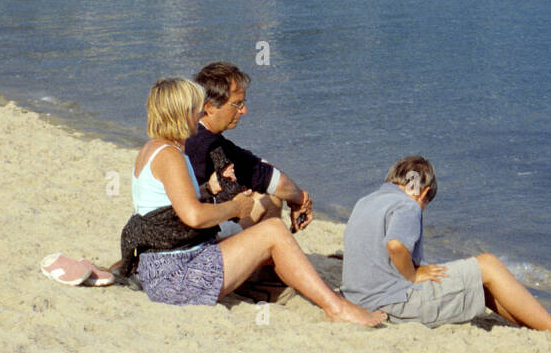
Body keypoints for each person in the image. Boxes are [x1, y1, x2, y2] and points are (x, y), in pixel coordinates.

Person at [123, 78, 383, 325]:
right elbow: (193, 216)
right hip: (176, 277)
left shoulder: (155, 148)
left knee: (266, 240)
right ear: (181, 113)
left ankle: (272, 289)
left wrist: (211, 189)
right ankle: (336, 308)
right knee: (273, 231)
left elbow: (172, 206)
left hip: (164, 266)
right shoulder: (170, 156)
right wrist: (235, 207)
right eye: (195, 108)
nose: (201, 113)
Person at [342, 156, 551, 338]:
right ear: (424, 193)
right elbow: (396, 245)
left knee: (477, 278)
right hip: (393, 305)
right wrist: (413, 274)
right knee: (488, 264)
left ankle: (544, 328)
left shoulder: (367, 201)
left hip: (361, 299)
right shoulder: (409, 205)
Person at [184, 62, 313, 235]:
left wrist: (295, 197)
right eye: (237, 104)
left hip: (187, 223)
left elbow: (258, 168)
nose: (244, 110)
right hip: (198, 237)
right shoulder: (210, 145)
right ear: (210, 107)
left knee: (266, 193)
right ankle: (265, 256)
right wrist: (301, 199)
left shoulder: (189, 132)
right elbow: (269, 179)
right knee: (271, 198)